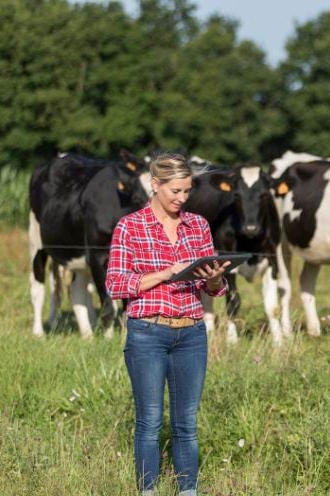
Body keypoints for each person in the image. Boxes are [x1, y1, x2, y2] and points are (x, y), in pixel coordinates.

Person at [106, 153, 230, 496]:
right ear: (154, 185)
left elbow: (214, 291)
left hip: (191, 332)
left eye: (187, 191)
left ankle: (187, 491)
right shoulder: (130, 227)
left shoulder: (198, 226)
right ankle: (148, 490)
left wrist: (216, 279)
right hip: (148, 332)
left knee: (186, 424)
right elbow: (116, 284)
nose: (182, 198)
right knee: (149, 422)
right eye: (175, 190)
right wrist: (164, 273)